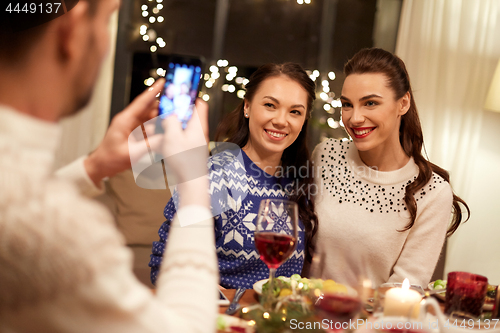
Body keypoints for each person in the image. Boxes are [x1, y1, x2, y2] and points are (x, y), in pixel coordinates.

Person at [0, 1, 218, 332]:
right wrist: (193, 183)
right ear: (70, 30)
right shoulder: (55, 231)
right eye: (106, 21)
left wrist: (95, 165)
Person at [150, 63, 319, 289]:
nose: (281, 120)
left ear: (304, 119)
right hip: (222, 317)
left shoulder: (300, 182)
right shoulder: (213, 175)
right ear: (247, 107)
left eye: (295, 111)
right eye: (270, 105)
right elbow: (164, 265)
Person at [310, 48, 469, 288]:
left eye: (370, 103)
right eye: (347, 104)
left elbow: (405, 287)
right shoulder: (325, 155)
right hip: (298, 313)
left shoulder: (433, 192)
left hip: (365, 322)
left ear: (403, 103)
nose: (354, 118)